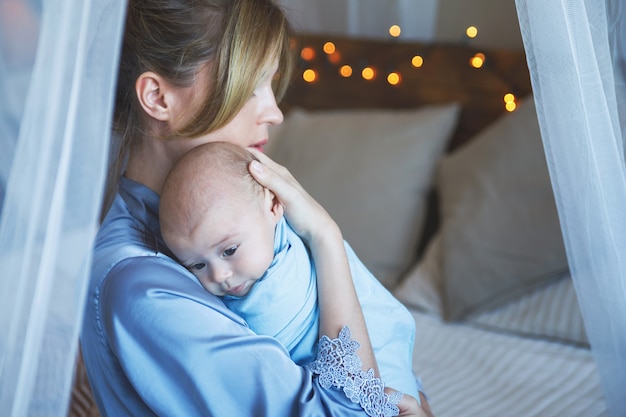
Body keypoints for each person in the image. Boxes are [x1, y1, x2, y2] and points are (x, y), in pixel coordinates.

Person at [79, 0, 432, 416]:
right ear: (158, 97)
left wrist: (412, 395)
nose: (276, 113)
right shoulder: (143, 287)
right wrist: (326, 236)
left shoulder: (235, 212)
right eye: (250, 88)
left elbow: (385, 350)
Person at [159, 141, 423, 400]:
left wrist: (325, 234)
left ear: (274, 205)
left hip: (380, 372)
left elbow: (353, 385)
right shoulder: (248, 235)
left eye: (229, 251)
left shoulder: (285, 269)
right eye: (197, 265)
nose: (218, 276)